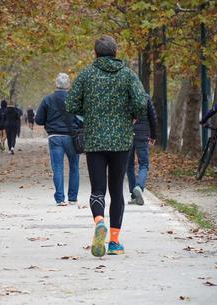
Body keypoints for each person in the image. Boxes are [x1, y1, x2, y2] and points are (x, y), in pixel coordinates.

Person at [66, 35, 146, 257]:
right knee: (117, 191)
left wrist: (88, 112)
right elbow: (142, 102)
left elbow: (71, 103)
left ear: (95, 53)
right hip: (121, 141)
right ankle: (114, 242)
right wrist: (131, 116)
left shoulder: (86, 76)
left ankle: (99, 220)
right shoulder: (128, 75)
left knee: (98, 189)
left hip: (95, 141)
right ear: (116, 52)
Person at [35, 73, 81, 207]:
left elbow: (38, 120)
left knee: (58, 168)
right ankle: (73, 198)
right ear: (68, 85)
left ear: (56, 84)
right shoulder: (74, 99)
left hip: (54, 137)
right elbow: (81, 119)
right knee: (74, 166)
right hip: (72, 137)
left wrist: (49, 123)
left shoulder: (47, 99)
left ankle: (60, 198)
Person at [127, 94, 158, 206]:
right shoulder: (146, 98)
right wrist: (153, 136)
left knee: (129, 165)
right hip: (143, 136)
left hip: (128, 135)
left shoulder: (126, 96)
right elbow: (153, 118)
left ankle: (134, 194)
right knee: (144, 164)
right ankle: (139, 187)